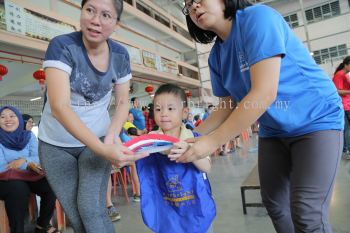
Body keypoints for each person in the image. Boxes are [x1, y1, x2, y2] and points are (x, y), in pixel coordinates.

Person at [179, 1, 343, 233]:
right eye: (188, 5)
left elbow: (264, 93)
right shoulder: (216, 56)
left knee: (307, 212)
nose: (194, 6)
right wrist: (191, 135)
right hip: (274, 130)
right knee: (275, 203)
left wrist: (212, 142)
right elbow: (229, 102)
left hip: (316, 120)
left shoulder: (257, 19)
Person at [37, 0, 147, 232]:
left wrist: (110, 138)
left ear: (116, 23)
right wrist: (103, 149)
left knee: (90, 208)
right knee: (76, 218)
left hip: (97, 139)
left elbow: (123, 102)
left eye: (106, 15)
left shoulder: (120, 55)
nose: (95, 20)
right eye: (90, 10)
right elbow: (59, 106)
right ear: (81, 12)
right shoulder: (63, 46)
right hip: (56, 144)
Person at [136, 84, 215, 233]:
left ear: (185, 112)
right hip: (166, 210)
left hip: (197, 208)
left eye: (171, 108)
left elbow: (207, 167)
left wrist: (191, 152)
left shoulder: (195, 139)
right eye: (158, 109)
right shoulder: (149, 143)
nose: (164, 113)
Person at [0, 106, 59, 233]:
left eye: (12, 116)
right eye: (2, 116)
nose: (7, 119)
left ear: (19, 119)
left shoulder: (28, 136)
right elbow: (2, 167)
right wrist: (27, 161)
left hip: (27, 175)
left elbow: (38, 157)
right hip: (5, 179)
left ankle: (42, 225)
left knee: (50, 185)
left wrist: (23, 161)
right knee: (19, 188)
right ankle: (18, 230)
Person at [333, 56, 350, 159]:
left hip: (347, 104)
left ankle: (346, 149)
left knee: (347, 129)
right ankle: (346, 150)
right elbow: (337, 91)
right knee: (347, 129)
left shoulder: (344, 75)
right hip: (345, 105)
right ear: (346, 65)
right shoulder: (339, 75)